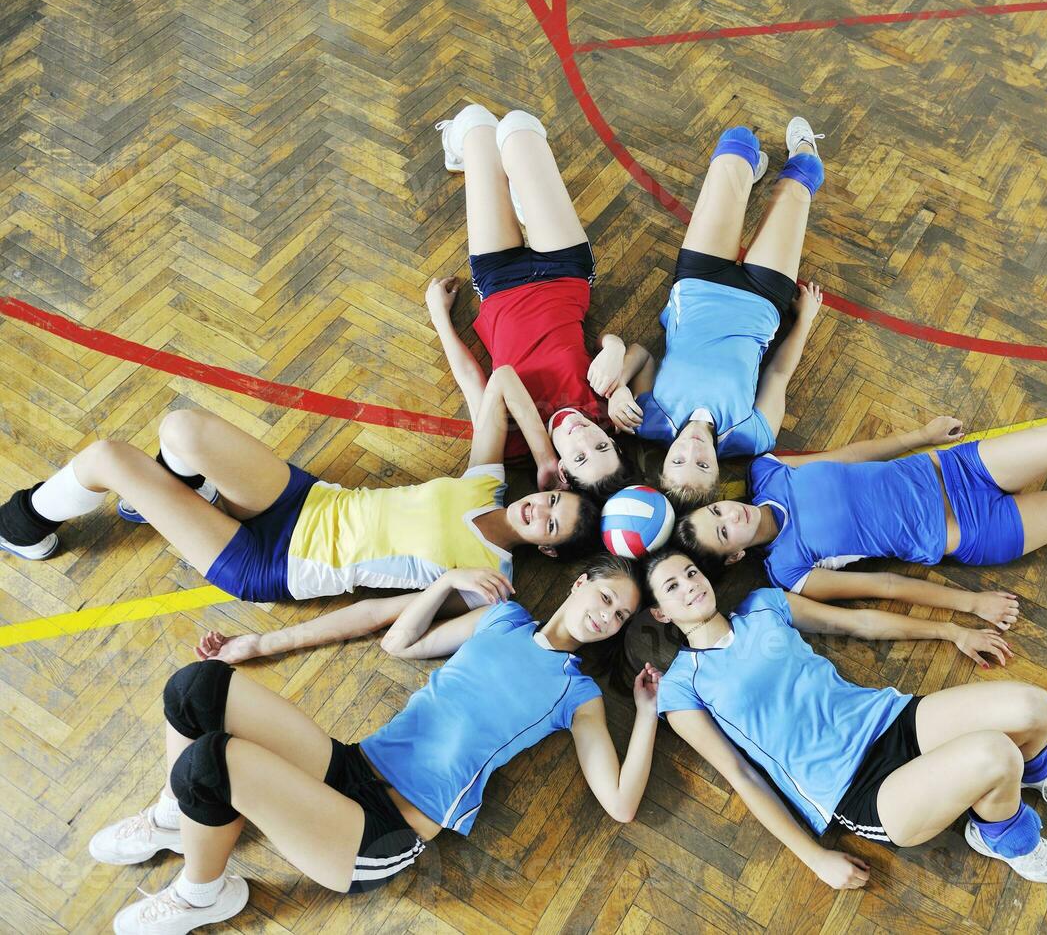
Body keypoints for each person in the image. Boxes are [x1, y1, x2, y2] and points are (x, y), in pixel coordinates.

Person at [90, 557, 661, 934]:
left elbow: (619, 803)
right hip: (349, 764)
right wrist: (443, 584)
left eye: (620, 616)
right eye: (606, 597)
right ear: (580, 582)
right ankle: (175, 817)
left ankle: (202, 893)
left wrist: (645, 713)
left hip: (385, 828)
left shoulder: (577, 693)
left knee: (209, 762)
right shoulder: (501, 618)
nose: (606, 617)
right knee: (196, 687)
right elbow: (398, 643)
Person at [0, 367, 599, 627]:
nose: (538, 508)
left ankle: (19, 524)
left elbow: (392, 631)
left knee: (108, 457)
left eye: (549, 525)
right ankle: (169, 496)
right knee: (180, 429)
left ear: (545, 552)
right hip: (306, 501)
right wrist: (546, 456)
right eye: (551, 501)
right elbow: (500, 383)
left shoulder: (485, 580)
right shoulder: (486, 483)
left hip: (270, 565)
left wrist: (263, 643)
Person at [645, 550, 1047, 888]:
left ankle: (1036, 775)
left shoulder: (764, 606)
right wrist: (816, 859)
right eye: (672, 587)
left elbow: (857, 624)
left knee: (1037, 709)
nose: (689, 586)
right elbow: (741, 775)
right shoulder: (683, 685)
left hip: (888, 719)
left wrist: (950, 630)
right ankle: (1005, 837)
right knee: (996, 754)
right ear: (660, 613)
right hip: (855, 788)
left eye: (690, 573)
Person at [675, 416, 1047, 628]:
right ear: (732, 557)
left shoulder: (770, 472)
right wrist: (966, 607)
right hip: (979, 533)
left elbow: (852, 457)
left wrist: (919, 436)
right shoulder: (790, 570)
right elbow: (884, 589)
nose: (732, 514)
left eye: (719, 509)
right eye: (724, 530)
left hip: (959, 467)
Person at [604, 119, 828, 510]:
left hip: (698, 282)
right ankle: (804, 149)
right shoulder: (754, 436)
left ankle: (748, 171)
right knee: (806, 173)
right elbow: (778, 374)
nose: (690, 449)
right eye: (702, 464)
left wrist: (619, 386)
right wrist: (805, 319)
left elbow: (640, 351)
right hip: (763, 298)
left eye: (678, 460)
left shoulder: (650, 420)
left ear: (665, 460)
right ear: (718, 472)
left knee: (738, 140)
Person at [433, 103, 650, 497]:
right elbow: (633, 350)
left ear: (564, 472)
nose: (584, 438)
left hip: (499, 281)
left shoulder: (512, 444)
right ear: (613, 441)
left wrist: (440, 317)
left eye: (581, 457)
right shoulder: (605, 414)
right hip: (565, 272)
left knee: (478, 125)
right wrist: (617, 362)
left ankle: (462, 151)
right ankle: (518, 192)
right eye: (601, 446)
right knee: (518, 127)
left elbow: (474, 379)